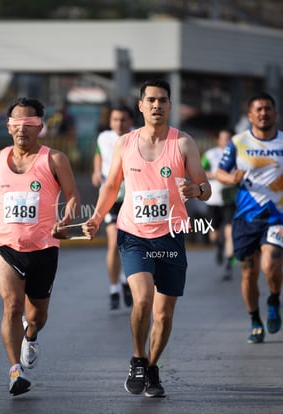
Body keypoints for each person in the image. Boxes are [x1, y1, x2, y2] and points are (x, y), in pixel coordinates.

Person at [82, 79, 211, 398]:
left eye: (163, 100)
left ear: (169, 106)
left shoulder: (183, 143)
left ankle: (153, 367)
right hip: (134, 233)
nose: (157, 105)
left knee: (164, 313)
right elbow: (112, 185)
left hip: (171, 236)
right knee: (142, 299)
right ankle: (138, 359)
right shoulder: (124, 143)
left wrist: (195, 190)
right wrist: (96, 217)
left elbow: (205, 187)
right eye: (151, 100)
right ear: (141, 106)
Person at [0, 97, 80, 396]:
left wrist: (66, 218)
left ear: (40, 127)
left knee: (36, 317)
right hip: (7, 246)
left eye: (29, 124)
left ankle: (31, 334)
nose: (22, 129)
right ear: (8, 127)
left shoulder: (54, 159)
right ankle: (15, 371)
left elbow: (73, 196)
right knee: (11, 305)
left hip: (44, 247)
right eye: (16, 124)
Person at [216, 92, 282, 344]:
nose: (264, 113)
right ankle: (255, 320)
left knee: (271, 263)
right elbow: (220, 172)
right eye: (259, 109)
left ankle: (274, 300)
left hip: (277, 217)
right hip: (245, 217)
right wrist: (231, 178)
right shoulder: (238, 142)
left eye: (268, 108)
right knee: (248, 273)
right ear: (250, 115)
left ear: (275, 113)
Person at [91, 105, 134, 310]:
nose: (119, 123)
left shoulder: (137, 137)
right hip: (110, 197)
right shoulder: (103, 137)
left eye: (123, 120)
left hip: (133, 197)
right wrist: (96, 171)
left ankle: (126, 278)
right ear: (110, 121)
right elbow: (99, 155)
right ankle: (114, 287)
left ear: (130, 122)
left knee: (130, 242)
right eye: (115, 119)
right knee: (113, 242)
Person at [201, 129, 237, 280]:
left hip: (229, 199)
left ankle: (229, 263)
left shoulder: (238, 154)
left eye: (229, 138)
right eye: (223, 138)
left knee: (230, 232)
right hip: (213, 199)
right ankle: (219, 247)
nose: (226, 141)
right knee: (213, 236)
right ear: (219, 140)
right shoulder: (210, 154)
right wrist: (216, 175)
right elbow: (201, 171)